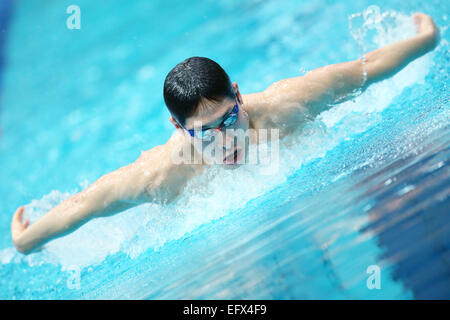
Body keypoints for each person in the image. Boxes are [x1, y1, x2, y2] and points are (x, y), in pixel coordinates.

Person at [11, 13, 439, 254]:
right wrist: (28, 240)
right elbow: (84, 206)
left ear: (238, 95)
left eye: (228, 119)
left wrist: (427, 39)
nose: (225, 139)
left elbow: (368, 68)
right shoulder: (162, 175)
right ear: (178, 129)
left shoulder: (289, 103)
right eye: (204, 133)